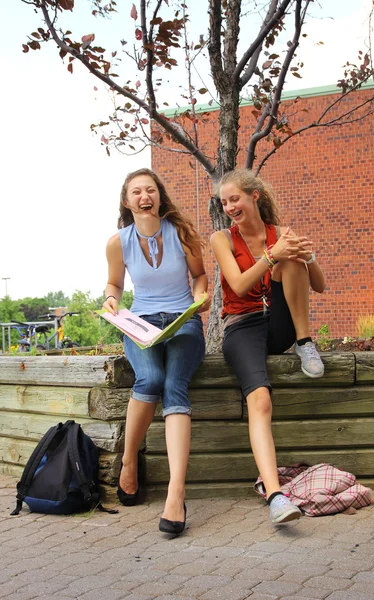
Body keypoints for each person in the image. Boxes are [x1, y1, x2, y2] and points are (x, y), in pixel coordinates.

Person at [210, 169, 326, 525]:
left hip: (279, 325)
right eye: (224, 202)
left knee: (292, 259)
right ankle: (276, 495)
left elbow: (319, 285)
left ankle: (305, 343)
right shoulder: (221, 239)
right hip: (242, 327)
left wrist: (306, 256)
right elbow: (240, 285)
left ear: (254, 196)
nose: (229, 206)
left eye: (235, 199)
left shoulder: (282, 235)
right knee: (260, 398)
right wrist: (272, 256)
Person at [103, 168, 210, 535]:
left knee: (174, 386)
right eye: (136, 191)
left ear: (159, 197)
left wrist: (198, 298)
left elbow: (199, 277)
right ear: (127, 200)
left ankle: (175, 494)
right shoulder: (118, 242)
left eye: (150, 190)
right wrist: (111, 300)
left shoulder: (182, 233)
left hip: (183, 322)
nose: (144, 196)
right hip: (141, 324)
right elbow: (114, 283)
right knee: (150, 378)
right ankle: (130, 460)